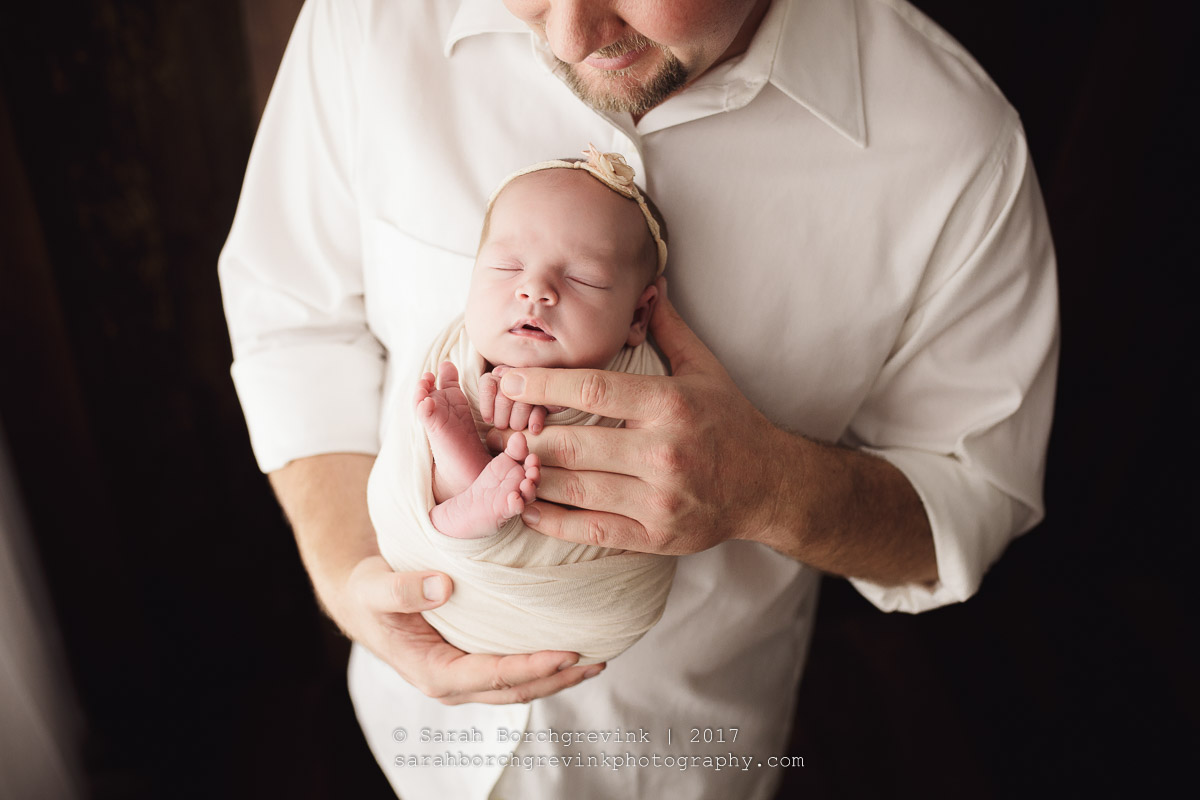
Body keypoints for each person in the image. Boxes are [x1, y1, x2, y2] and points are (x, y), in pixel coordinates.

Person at [218, 0, 1059, 798]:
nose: (572, 34)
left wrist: (770, 492)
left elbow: (974, 492)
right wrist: (351, 577)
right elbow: (293, 319)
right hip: (407, 745)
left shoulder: (955, 153)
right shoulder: (370, 20)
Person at [368, 147, 675, 664]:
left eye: (584, 279)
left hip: (585, 610)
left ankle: (470, 496)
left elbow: (656, 471)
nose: (534, 289)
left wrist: (554, 419)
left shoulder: (646, 376)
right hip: (430, 592)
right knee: (436, 420)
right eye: (506, 266)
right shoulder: (453, 360)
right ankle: (459, 490)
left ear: (638, 316)